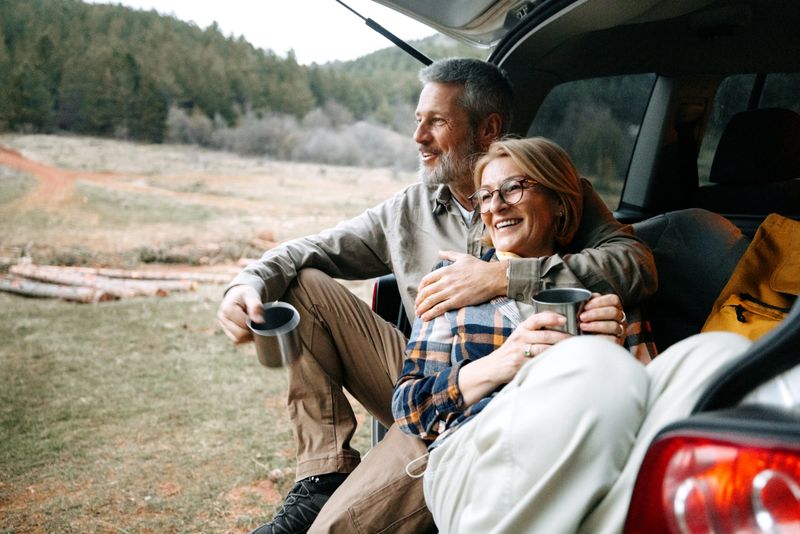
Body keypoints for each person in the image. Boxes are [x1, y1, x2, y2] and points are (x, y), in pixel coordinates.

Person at [217, 58, 657, 534]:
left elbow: (634, 264)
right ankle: (324, 472)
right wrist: (247, 284)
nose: (418, 137)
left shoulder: (552, 193)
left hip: (518, 402)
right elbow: (310, 249)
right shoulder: (408, 210)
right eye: (417, 121)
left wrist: (503, 279)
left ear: (488, 129)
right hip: (425, 381)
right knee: (303, 282)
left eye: (437, 121)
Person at [392, 137, 753, 533]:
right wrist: (501, 363)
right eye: (486, 196)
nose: (496, 205)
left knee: (717, 355)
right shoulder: (454, 286)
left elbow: (655, 407)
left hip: (606, 464)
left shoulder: (601, 288)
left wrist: (619, 354)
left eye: (513, 188)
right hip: (479, 463)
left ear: (559, 204)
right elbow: (410, 408)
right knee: (591, 363)